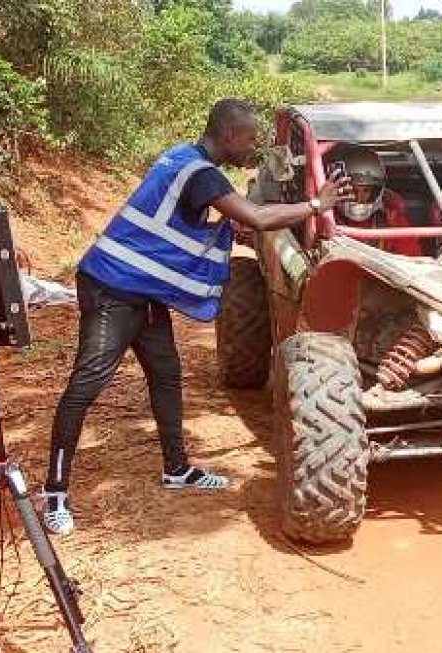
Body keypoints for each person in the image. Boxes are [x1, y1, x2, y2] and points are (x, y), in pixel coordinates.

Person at [41, 99, 352, 536]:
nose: (254, 146)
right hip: (113, 286)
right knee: (86, 384)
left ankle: (177, 469)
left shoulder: (183, 158)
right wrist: (317, 205)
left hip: (142, 289)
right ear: (228, 136)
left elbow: (183, 221)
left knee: (166, 374)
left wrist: (225, 230)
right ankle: (53, 492)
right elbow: (260, 217)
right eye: (249, 138)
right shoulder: (201, 173)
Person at [326, 144, 423, 257]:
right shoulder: (327, 216)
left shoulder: (392, 218)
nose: (360, 197)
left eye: (366, 190)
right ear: (339, 187)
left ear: (378, 191)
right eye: (353, 189)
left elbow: (411, 256)